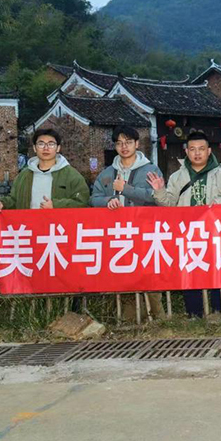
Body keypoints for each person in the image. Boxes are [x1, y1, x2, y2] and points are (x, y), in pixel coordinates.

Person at [148, 131, 221, 317]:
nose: (197, 153)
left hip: (215, 232)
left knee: (217, 269)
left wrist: (218, 202)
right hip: (188, 233)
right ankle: (194, 313)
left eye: (201, 149)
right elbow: (169, 204)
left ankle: (219, 310)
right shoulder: (177, 177)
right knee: (190, 270)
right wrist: (159, 192)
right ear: (186, 152)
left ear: (209, 151)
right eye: (192, 149)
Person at [89, 125, 165, 321]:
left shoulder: (151, 170)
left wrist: (126, 189)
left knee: (148, 272)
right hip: (117, 233)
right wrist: (108, 201)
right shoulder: (107, 173)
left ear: (137, 144)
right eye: (119, 143)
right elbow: (94, 198)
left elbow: (156, 197)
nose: (124, 147)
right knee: (124, 272)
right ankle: (129, 317)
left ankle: (157, 316)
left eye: (128, 142)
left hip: (145, 230)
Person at [0, 128, 89, 214]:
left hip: (59, 228)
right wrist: (0, 203)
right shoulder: (24, 175)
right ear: (34, 148)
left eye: (51, 144)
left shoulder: (71, 175)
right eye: (41, 144)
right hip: (30, 226)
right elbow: (14, 200)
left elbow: (82, 202)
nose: (46, 148)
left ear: (58, 148)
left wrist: (56, 205)